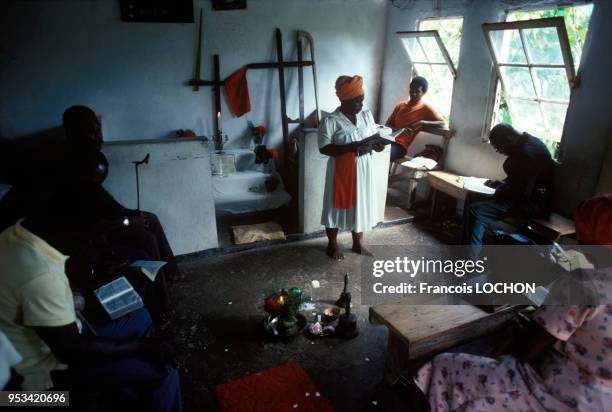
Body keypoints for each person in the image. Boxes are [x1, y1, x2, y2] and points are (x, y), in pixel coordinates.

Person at [404, 193, 612, 412]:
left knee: (440, 366)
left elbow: (529, 351)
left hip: (552, 393)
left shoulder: (584, 282)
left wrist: (522, 325)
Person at [0, 197, 183, 411]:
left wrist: (74, 301)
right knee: (163, 373)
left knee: (140, 317)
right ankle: (137, 379)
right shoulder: (41, 276)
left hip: (47, 343)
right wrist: (144, 347)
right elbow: (72, 352)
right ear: (73, 229)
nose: (91, 244)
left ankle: (131, 390)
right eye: (90, 237)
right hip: (40, 384)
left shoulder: (15, 234)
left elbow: (33, 300)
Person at [61, 105, 184, 284]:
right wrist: (126, 220)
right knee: (146, 238)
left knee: (151, 219)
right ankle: (160, 290)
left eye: (96, 128)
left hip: (106, 220)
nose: (96, 134)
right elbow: (90, 223)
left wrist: (128, 212)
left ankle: (171, 273)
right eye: (92, 129)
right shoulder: (70, 163)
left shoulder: (87, 155)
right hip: (97, 232)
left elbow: (101, 198)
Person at [463, 124, 554, 259]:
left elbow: (522, 193)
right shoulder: (528, 142)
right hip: (526, 196)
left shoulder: (527, 154)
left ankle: (469, 262)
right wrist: (503, 184)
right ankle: (464, 248)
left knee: (475, 211)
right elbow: (521, 178)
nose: (499, 151)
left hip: (533, 203)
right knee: (472, 195)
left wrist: (499, 191)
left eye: (499, 148)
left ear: (509, 138)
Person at [319, 75, 385, 259]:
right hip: (341, 169)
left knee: (360, 204)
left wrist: (377, 146)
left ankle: (358, 243)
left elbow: (372, 139)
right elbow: (324, 148)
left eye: (362, 99)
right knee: (335, 206)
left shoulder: (366, 115)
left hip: (364, 167)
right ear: (344, 101)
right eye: (357, 101)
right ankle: (332, 245)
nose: (361, 104)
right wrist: (351, 147)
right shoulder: (330, 121)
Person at [385, 76, 445, 162]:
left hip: (400, 146)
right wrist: (400, 130)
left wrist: (422, 122)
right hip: (388, 140)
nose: (413, 94)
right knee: (367, 149)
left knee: (381, 154)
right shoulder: (400, 105)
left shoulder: (425, 108)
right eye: (411, 90)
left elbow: (442, 123)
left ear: (423, 93)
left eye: (417, 92)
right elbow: (387, 125)